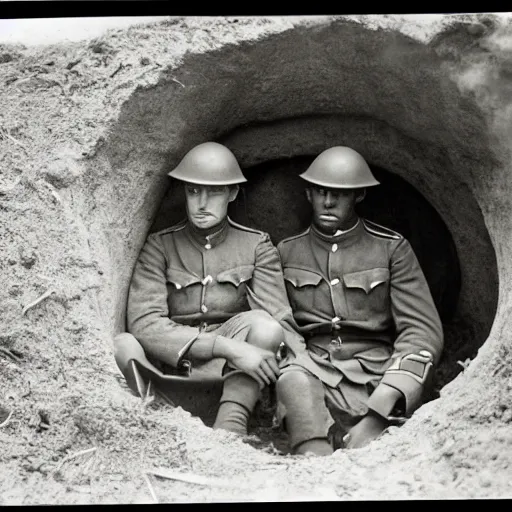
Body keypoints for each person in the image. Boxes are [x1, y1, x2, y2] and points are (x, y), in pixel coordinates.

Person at [113, 141, 309, 436]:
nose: (201, 202)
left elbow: (280, 322)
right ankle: (158, 420)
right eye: (193, 191)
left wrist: (292, 381)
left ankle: (231, 425)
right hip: (168, 371)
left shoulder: (256, 246)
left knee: (266, 328)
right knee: (123, 344)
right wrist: (229, 347)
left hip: (233, 377)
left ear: (232, 193)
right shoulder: (160, 246)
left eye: (213, 191)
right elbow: (145, 325)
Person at [275, 146, 444, 456]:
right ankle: (312, 458)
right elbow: (280, 324)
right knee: (293, 381)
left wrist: (378, 414)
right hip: (313, 370)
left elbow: (421, 332)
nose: (327, 202)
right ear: (308, 194)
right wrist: (298, 361)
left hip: (376, 374)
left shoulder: (390, 249)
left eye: (339, 193)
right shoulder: (285, 252)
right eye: (320, 191)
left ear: (359, 195)